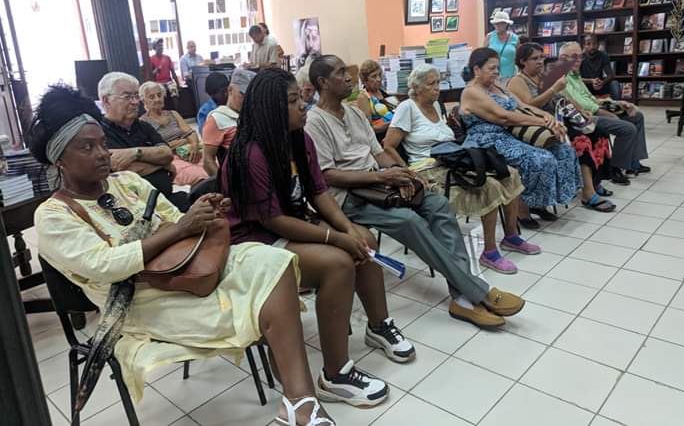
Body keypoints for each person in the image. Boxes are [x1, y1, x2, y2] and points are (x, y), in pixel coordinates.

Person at [29, 84, 335, 426]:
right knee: (267, 296)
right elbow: (104, 266)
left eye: (103, 143)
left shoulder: (128, 182)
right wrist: (179, 228)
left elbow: (177, 224)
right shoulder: (53, 215)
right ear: (60, 159)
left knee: (271, 260)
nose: (103, 153)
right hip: (139, 302)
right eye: (87, 147)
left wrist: (203, 214)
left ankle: (298, 401)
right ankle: (302, 403)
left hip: (183, 271)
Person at [222, 68, 411, 407]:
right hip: (253, 243)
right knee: (338, 263)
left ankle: (379, 325)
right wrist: (334, 238)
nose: (303, 105)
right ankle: (335, 374)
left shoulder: (299, 138)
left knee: (363, 240)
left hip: (287, 225)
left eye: (301, 97)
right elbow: (274, 220)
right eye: (294, 101)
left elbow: (319, 192)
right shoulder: (251, 152)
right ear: (270, 108)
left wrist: (347, 229)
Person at [305, 55, 525, 329]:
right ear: (323, 82)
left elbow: (379, 152)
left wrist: (402, 173)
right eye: (341, 73)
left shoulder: (354, 114)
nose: (350, 78)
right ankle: (476, 291)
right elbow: (327, 175)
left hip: (379, 184)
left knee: (439, 206)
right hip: (348, 197)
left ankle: (462, 298)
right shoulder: (314, 122)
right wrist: (382, 176)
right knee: (410, 221)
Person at [383, 64, 540, 274]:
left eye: (438, 82)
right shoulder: (407, 107)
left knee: (508, 173)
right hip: (426, 167)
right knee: (487, 185)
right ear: (417, 87)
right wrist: (407, 172)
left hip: (451, 158)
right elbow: (388, 146)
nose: (437, 88)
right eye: (432, 84)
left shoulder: (437, 106)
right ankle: (489, 252)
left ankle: (511, 236)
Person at [460, 48, 582, 220]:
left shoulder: (497, 86)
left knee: (563, 150)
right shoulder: (471, 91)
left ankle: (540, 202)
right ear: (476, 70)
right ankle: (522, 209)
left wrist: (548, 117)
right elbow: (503, 117)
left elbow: (523, 106)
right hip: (488, 141)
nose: (496, 72)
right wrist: (541, 122)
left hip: (511, 133)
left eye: (497, 68)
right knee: (541, 159)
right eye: (491, 68)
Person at [508, 44, 615, 212]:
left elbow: (562, 97)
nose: (540, 62)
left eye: (542, 57)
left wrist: (581, 110)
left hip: (561, 116)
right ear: (522, 61)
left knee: (598, 132)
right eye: (535, 58)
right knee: (581, 139)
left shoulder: (543, 76)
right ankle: (587, 193)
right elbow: (529, 105)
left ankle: (595, 181)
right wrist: (553, 88)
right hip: (541, 122)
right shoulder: (517, 81)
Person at [559, 42, 650, 184]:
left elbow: (591, 98)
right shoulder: (560, 76)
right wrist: (604, 111)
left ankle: (633, 163)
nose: (579, 60)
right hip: (584, 117)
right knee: (627, 128)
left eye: (580, 57)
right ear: (563, 58)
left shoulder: (575, 75)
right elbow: (581, 105)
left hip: (595, 109)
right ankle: (616, 168)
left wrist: (617, 103)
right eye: (574, 57)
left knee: (637, 116)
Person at [98, 72, 188, 211]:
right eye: (127, 96)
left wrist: (135, 153)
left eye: (136, 96)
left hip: (165, 199)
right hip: (134, 209)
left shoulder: (143, 126)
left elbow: (166, 153)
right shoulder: (99, 133)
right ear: (106, 100)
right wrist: (162, 165)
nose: (135, 102)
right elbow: (121, 171)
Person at [139, 81, 208, 187]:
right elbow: (157, 149)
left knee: (213, 164)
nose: (157, 99)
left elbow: (191, 133)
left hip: (189, 150)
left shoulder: (173, 114)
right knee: (198, 175)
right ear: (144, 100)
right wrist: (184, 140)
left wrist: (194, 145)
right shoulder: (142, 122)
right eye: (151, 97)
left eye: (159, 95)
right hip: (170, 159)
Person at [202, 69, 255, 176]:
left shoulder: (253, 115)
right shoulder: (217, 118)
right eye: (243, 94)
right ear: (230, 90)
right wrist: (223, 184)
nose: (247, 100)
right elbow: (208, 160)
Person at [355, 59, 397, 137]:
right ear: (365, 80)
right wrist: (394, 123)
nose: (378, 79)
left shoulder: (383, 91)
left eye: (379, 75)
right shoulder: (363, 97)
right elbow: (369, 129)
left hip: (395, 133)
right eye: (374, 76)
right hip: (381, 138)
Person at [580, 35, 621, 100]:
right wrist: (591, 81)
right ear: (584, 46)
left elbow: (610, 75)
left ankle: (616, 106)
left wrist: (602, 83)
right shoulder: (580, 58)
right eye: (588, 44)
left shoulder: (603, 55)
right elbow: (576, 79)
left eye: (594, 44)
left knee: (614, 84)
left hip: (599, 85)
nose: (592, 46)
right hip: (586, 86)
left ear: (598, 45)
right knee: (576, 86)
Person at [483, 11, 519, 83]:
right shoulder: (489, 37)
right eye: (496, 23)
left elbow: (518, 57)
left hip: (510, 76)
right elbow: (483, 55)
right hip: (493, 76)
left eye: (500, 23)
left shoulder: (515, 38)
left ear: (506, 24)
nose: (498, 25)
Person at [149, 39, 180, 110]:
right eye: (159, 46)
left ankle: (177, 113)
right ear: (154, 47)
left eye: (162, 46)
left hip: (168, 81)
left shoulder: (167, 58)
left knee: (174, 92)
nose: (161, 47)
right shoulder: (151, 59)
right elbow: (150, 75)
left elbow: (173, 72)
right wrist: (156, 70)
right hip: (158, 82)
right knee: (161, 94)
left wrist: (178, 84)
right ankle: (163, 114)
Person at [196, 72, 229, 138]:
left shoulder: (230, 104)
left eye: (227, 90)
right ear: (212, 93)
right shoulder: (205, 111)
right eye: (222, 92)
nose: (226, 94)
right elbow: (204, 134)